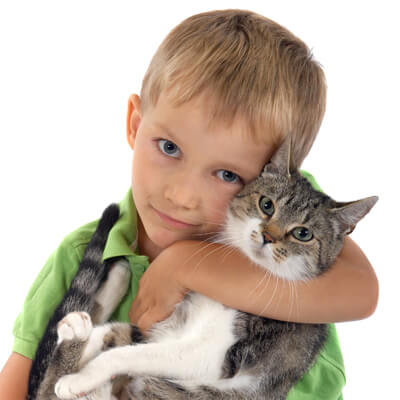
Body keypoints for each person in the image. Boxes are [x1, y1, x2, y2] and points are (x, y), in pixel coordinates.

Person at [0, 9, 378, 400]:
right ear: (134, 123)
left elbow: (363, 291)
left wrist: (185, 268)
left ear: (275, 177)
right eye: (169, 148)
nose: (181, 196)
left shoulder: (281, 223)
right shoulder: (79, 255)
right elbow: (17, 385)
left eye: (229, 175)